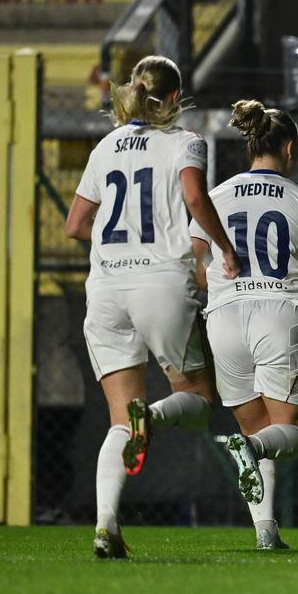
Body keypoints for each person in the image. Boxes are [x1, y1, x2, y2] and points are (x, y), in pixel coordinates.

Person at [65, 55, 242, 558]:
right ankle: (156, 416)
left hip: (106, 288)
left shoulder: (105, 146)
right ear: (171, 99)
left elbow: (76, 225)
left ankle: (106, 526)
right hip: (161, 282)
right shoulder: (185, 141)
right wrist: (226, 249)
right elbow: (193, 195)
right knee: (200, 399)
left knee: (119, 421)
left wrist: (113, 251)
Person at [191, 99, 298, 550]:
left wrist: (218, 288)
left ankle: (266, 531)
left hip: (223, 319)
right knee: (294, 434)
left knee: (255, 429)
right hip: (279, 313)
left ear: (249, 146)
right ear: (290, 148)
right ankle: (255, 460)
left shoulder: (217, 196)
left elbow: (195, 263)